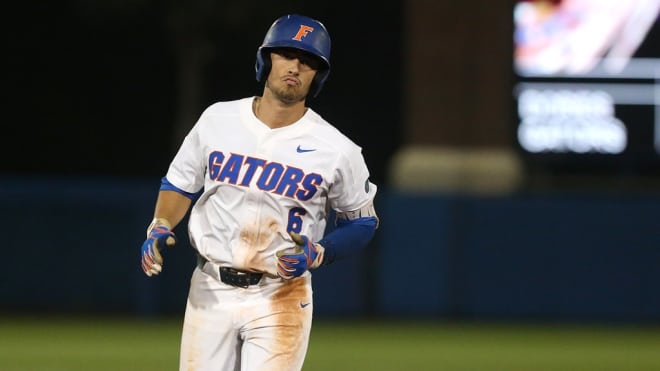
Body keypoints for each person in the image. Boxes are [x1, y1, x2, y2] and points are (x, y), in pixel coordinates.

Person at [139, 14, 379, 371]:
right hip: (210, 288)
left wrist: (318, 253)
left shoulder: (338, 149)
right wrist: (160, 224)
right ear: (266, 58)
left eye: (308, 60)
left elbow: (364, 223)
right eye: (286, 53)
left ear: (318, 75)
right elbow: (179, 183)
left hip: (280, 294)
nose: (295, 66)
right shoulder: (218, 119)